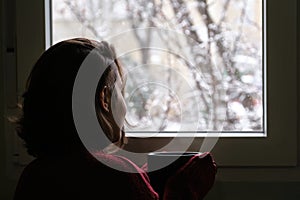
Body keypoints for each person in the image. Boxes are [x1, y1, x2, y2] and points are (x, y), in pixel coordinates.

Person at [13, 38, 217, 200]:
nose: (126, 107)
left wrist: (141, 180)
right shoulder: (118, 175)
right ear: (104, 97)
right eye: (121, 90)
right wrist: (186, 188)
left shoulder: (33, 176)